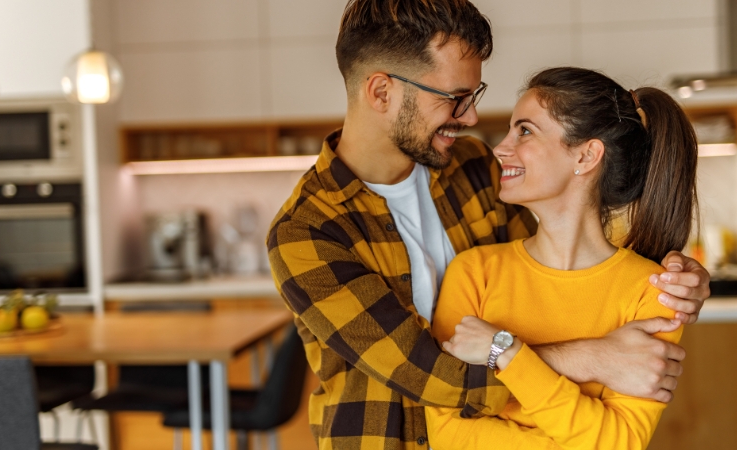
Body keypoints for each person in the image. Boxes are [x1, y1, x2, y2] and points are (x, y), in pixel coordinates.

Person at [266, 1, 710, 448]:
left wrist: (670, 272)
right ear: (381, 92)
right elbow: (434, 377)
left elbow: (565, 252)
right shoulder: (306, 232)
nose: (471, 118)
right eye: (455, 98)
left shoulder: (472, 168)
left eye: (472, 96)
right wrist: (592, 357)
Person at [425, 67, 699, 449]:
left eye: (524, 130)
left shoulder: (652, 291)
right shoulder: (474, 272)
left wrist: (506, 352)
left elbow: (618, 442)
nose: (501, 148)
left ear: (586, 155)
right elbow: (448, 434)